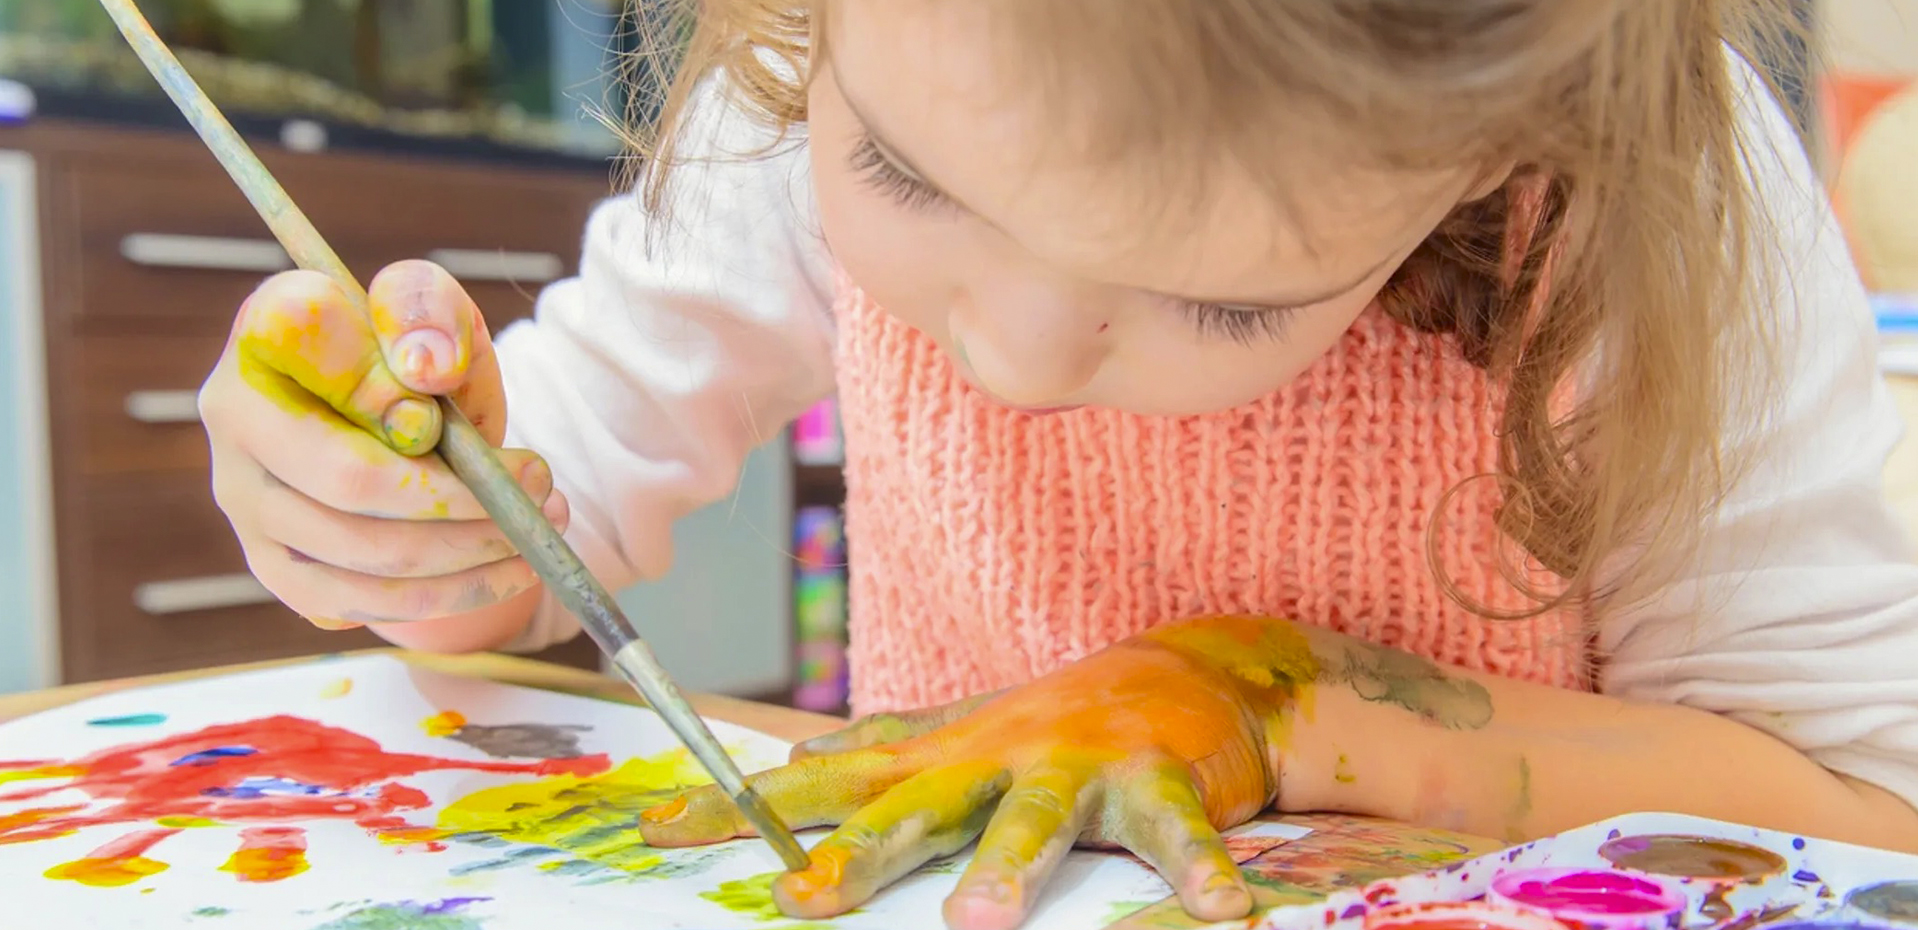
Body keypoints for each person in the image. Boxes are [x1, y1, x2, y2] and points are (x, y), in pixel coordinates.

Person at [197, 2, 1918, 927]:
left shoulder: (1654, 216)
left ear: (1486, 158)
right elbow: (549, 498)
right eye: (913, 182)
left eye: (1221, 304)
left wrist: (1268, 701)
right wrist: (405, 496)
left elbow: (1861, 823)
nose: (1014, 363)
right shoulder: (811, 82)